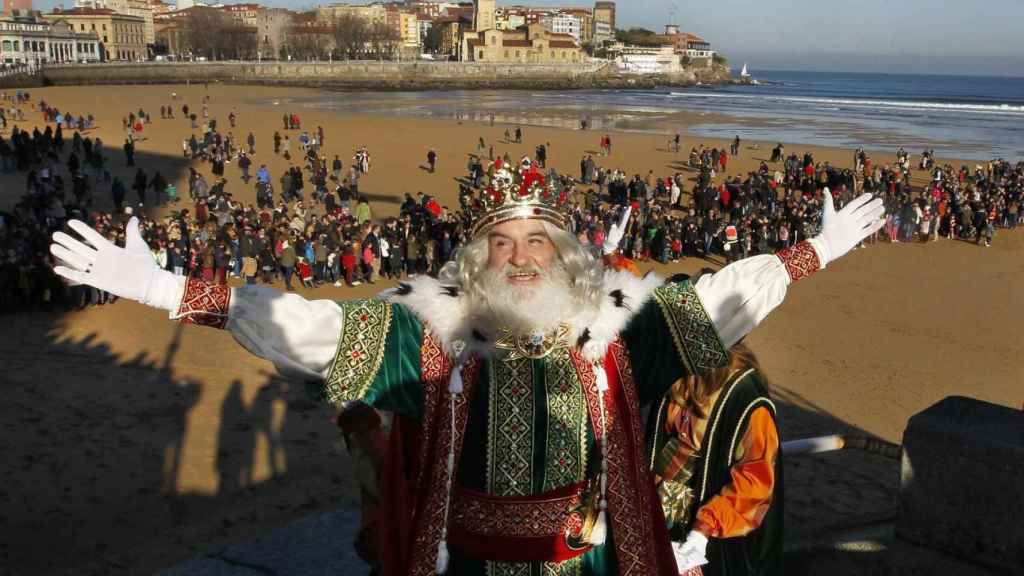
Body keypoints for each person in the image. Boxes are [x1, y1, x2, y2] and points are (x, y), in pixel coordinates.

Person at [49, 171, 884, 575]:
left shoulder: (620, 333)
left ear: (565, 257)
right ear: (475, 258)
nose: (521, 258)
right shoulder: (428, 337)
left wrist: (816, 252)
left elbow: (721, 301)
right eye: (503, 243)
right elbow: (307, 330)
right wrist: (166, 288)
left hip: (587, 564)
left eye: (537, 244)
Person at [649, 342, 781, 576]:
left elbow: (754, 485)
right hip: (661, 511)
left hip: (708, 527)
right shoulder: (673, 368)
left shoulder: (747, 399)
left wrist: (703, 530)